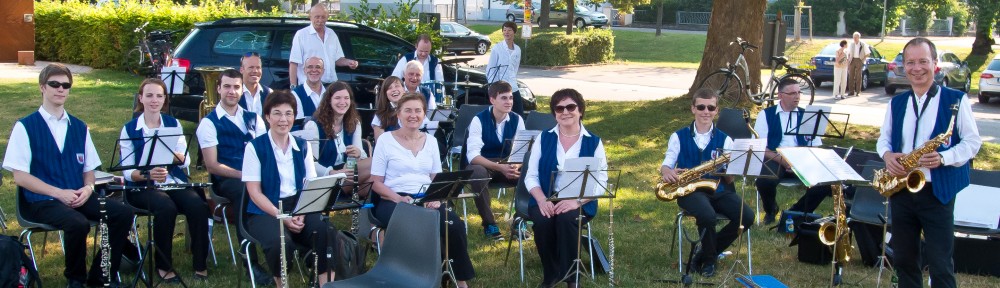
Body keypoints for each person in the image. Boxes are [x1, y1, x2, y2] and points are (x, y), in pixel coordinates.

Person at [3, 63, 134, 288]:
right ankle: (75, 280)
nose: (61, 89)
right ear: (42, 87)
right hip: (41, 201)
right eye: (54, 84)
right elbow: (20, 177)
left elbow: (89, 170)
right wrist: (58, 193)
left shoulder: (80, 127)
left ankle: (101, 277)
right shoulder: (25, 127)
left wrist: (88, 189)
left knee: (122, 213)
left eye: (66, 85)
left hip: (78, 196)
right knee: (78, 223)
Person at [876, 37, 981, 288]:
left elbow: (973, 142)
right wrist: (888, 156)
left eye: (923, 61)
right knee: (904, 258)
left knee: (940, 262)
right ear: (903, 66)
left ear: (935, 64)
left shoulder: (956, 99)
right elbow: (884, 140)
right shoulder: (897, 102)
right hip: (902, 189)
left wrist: (944, 157)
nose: (917, 68)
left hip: (938, 191)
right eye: (910, 62)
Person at [370, 93, 475, 287]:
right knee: (415, 225)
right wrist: (398, 199)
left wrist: (438, 198)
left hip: (427, 197)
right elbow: (376, 183)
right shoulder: (385, 140)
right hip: (393, 199)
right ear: (398, 114)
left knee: (454, 225)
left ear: (424, 114)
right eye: (408, 110)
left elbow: (436, 178)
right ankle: (411, 278)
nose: (413, 115)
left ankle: (460, 281)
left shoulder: (431, 141)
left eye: (418, 110)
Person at [243, 90, 339, 287]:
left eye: (288, 114)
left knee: (326, 231)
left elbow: (310, 185)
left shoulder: (302, 146)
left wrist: (301, 212)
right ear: (267, 116)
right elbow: (254, 192)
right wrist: (283, 217)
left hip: (298, 206)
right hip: (265, 210)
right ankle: (281, 284)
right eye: (277, 113)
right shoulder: (254, 147)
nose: (283, 119)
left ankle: (325, 284)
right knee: (280, 243)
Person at [119, 78, 210, 282]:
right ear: (141, 98)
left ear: (164, 99)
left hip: (171, 181)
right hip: (142, 187)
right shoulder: (130, 129)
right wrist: (148, 174)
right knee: (166, 207)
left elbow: (184, 160)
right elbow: (127, 171)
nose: (154, 100)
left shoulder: (173, 123)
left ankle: (200, 263)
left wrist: (171, 155)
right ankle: (164, 266)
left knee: (197, 205)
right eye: (149, 95)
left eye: (159, 96)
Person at [660, 88, 754, 278]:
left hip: (720, 189)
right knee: (708, 215)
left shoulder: (726, 139)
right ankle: (709, 262)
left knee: (747, 216)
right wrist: (667, 172)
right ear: (693, 109)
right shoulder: (678, 136)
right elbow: (666, 165)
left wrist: (730, 171)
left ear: (716, 111)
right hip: (689, 191)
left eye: (711, 107)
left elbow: (730, 179)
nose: (706, 111)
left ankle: (703, 253)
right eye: (701, 107)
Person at [524, 88, 608, 288]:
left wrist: (575, 202)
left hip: (579, 199)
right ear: (554, 113)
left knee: (567, 219)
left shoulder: (594, 142)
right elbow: (531, 176)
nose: (565, 112)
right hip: (545, 197)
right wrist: (542, 200)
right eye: (559, 108)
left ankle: (572, 278)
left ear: (580, 110)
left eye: (571, 107)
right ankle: (551, 275)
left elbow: (600, 182)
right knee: (543, 222)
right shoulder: (544, 138)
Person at [195, 68, 270, 283]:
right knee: (244, 191)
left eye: (236, 87)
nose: (231, 91)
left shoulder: (254, 118)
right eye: (227, 86)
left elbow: (266, 151)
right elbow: (212, 165)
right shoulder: (209, 123)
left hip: (256, 177)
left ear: (242, 90)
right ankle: (250, 262)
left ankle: (296, 249)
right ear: (218, 88)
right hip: (227, 182)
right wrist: (245, 175)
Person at [753, 78, 829, 224]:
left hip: (802, 158)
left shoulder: (808, 115)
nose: (797, 96)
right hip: (777, 157)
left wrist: (801, 162)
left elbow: (816, 146)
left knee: (825, 183)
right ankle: (771, 210)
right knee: (764, 182)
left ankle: (796, 212)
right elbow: (760, 146)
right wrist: (783, 161)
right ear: (780, 95)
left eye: (799, 92)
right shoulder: (766, 114)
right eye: (792, 93)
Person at [465, 81, 525, 241]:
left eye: (511, 98)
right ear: (492, 100)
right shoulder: (478, 120)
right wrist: (500, 168)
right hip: (485, 163)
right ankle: (489, 224)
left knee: (530, 171)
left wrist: (515, 166)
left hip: (507, 163)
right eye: (504, 98)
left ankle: (520, 220)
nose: (509, 102)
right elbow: (473, 157)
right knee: (477, 172)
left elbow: (521, 150)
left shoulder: (517, 119)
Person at [301, 81, 371, 196]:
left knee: (375, 170)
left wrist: (358, 153)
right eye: (337, 98)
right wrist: (334, 173)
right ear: (329, 100)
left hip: (347, 171)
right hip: (327, 176)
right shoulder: (313, 126)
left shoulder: (355, 123)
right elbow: (311, 164)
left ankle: (350, 205)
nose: (342, 102)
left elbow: (361, 157)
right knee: (374, 166)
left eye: (346, 98)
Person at [288, 4, 358, 86]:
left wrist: (349, 62)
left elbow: (338, 59)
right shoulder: (301, 35)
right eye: (317, 17)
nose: (320, 20)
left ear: (327, 18)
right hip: (310, 86)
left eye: (323, 17)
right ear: (310, 17)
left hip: (331, 85)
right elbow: (294, 63)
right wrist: (293, 87)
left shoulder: (332, 34)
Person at [486, 21, 524, 115]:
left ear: (514, 32)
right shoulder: (497, 48)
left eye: (509, 30)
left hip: (513, 87)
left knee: (519, 114)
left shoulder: (517, 49)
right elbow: (491, 69)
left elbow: (515, 68)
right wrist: (494, 88)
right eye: (505, 30)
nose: (506, 32)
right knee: (501, 114)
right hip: (500, 88)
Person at [292, 56, 326, 128]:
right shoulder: (295, 94)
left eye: (318, 67)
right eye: (310, 67)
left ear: (323, 71)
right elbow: (299, 125)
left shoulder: (330, 92)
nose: (314, 70)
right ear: (304, 70)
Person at [372, 76, 405, 140]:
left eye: (397, 86)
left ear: (403, 90)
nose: (394, 90)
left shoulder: (412, 111)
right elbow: (380, 144)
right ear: (385, 94)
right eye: (389, 88)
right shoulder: (380, 116)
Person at [846, 31, 869, 96]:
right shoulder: (851, 44)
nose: (855, 38)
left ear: (859, 37)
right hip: (852, 60)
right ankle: (851, 91)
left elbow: (868, 53)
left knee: (858, 76)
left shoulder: (863, 44)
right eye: (854, 37)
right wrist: (848, 60)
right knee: (851, 76)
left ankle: (858, 92)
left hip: (859, 60)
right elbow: (848, 53)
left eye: (856, 37)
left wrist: (862, 59)